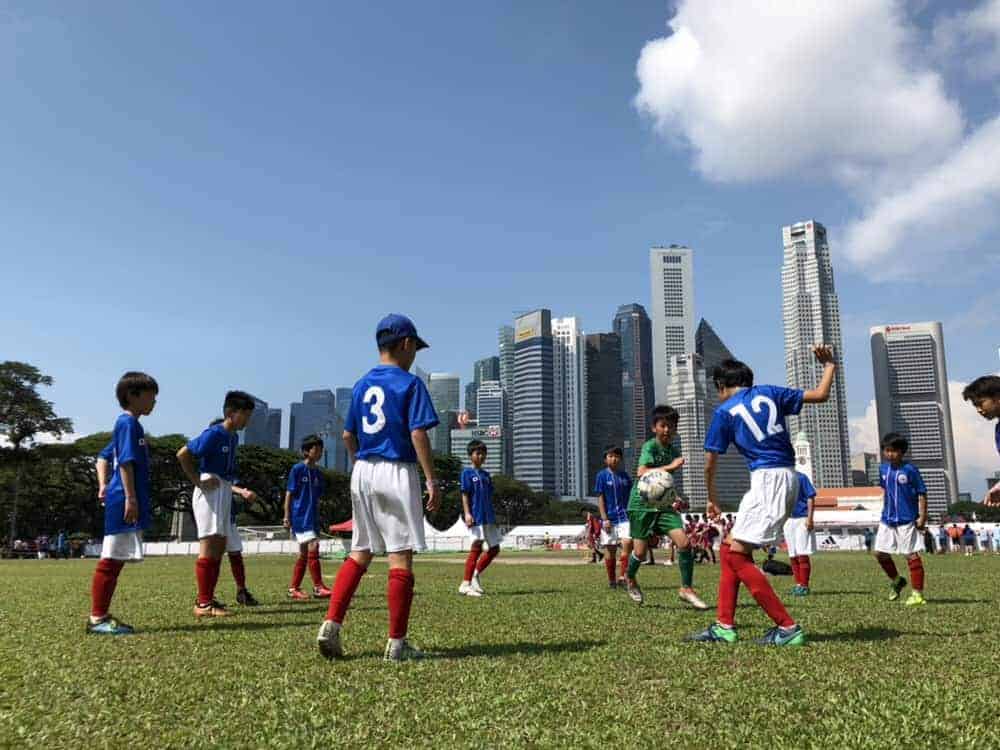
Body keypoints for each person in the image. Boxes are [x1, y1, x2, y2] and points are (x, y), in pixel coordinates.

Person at [689, 345, 837, 647]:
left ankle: (786, 626)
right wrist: (830, 365)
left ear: (721, 386)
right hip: (789, 476)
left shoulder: (724, 412)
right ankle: (724, 625)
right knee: (731, 551)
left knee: (735, 555)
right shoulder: (770, 392)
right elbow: (821, 395)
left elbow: (709, 464)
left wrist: (712, 498)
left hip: (767, 480)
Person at [317, 314, 440, 662]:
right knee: (400, 556)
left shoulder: (360, 384)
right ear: (405, 344)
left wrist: (359, 466)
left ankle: (331, 624)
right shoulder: (409, 383)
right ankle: (397, 644)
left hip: (364, 470)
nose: (415, 354)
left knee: (360, 551)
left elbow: (347, 435)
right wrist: (431, 479)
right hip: (395, 469)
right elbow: (418, 433)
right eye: (415, 346)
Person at [86, 371, 159, 635]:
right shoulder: (128, 424)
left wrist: (103, 485)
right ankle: (97, 618)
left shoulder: (128, 425)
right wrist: (129, 497)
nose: (154, 402)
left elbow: (103, 457)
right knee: (111, 558)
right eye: (151, 396)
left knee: (115, 559)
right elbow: (126, 463)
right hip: (124, 498)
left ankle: (100, 616)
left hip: (119, 494)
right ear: (132, 396)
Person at [176, 392, 259, 618]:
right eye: (246, 415)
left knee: (219, 547)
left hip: (223, 490)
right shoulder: (214, 433)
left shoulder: (233, 438)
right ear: (231, 413)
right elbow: (183, 454)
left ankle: (207, 598)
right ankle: (203, 604)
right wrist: (198, 481)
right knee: (209, 547)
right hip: (210, 491)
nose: (248, 421)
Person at [624, 405, 707, 609]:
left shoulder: (673, 451)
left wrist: (677, 497)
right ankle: (630, 578)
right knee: (640, 553)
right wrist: (672, 466)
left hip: (662, 505)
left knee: (685, 543)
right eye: (663, 426)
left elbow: (662, 483)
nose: (667, 430)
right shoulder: (649, 447)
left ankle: (686, 588)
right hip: (641, 505)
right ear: (654, 427)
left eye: (671, 426)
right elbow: (642, 472)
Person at [202, 417, 261, 607]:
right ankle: (205, 599)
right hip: (214, 508)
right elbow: (213, 481)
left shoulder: (227, 456)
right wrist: (242, 491)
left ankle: (241, 591)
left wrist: (240, 490)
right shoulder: (207, 455)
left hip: (228, 514)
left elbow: (226, 484)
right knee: (210, 553)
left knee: (235, 553)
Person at [872, 433, 928, 606]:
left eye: (893, 451)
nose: (889, 454)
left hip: (906, 519)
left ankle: (917, 594)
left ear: (902, 452)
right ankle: (897, 579)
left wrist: (922, 517)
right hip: (887, 519)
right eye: (886, 450)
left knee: (910, 555)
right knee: (879, 553)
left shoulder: (910, 470)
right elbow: (886, 491)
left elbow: (922, 493)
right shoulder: (882, 469)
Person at [284, 434, 333, 600]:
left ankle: (293, 589)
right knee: (313, 546)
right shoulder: (297, 469)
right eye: (316, 449)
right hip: (300, 516)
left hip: (312, 517)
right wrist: (287, 516)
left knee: (304, 554)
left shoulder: (318, 473)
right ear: (306, 451)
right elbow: (289, 494)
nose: (319, 452)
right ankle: (318, 587)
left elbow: (318, 497)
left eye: (321, 449)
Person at [458, 439, 500, 597]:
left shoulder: (486, 475)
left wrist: (494, 516)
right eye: (478, 453)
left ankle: (475, 573)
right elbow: (465, 494)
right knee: (476, 547)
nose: (481, 456)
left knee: (494, 548)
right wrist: (467, 513)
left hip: (488, 516)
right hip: (476, 515)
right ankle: (465, 583)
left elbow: (489, 497)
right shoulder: (466, 473)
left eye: (484, 453)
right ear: (471, 455)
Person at [592, 445, 632, 588]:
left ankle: (623, 576)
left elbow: (632, 495)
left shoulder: (625, 476)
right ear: (605, 459)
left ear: (620, 459)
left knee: (627, 543)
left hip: (625, 517)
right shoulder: (601, 476)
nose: (613, 459)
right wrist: (604, 519)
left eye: (616, 456)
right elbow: (600, 497)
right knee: (610, 550)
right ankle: (612, 581)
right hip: (609, 518)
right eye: (610, 456)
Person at [783, 471, 817, 596]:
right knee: (792, 554)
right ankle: (798, 584)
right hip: (788, 520)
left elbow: (810, 497)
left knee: (802, 552)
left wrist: (810, 518)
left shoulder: (801, 477)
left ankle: (804, 585)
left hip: (801, 518)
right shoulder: (781, 479)